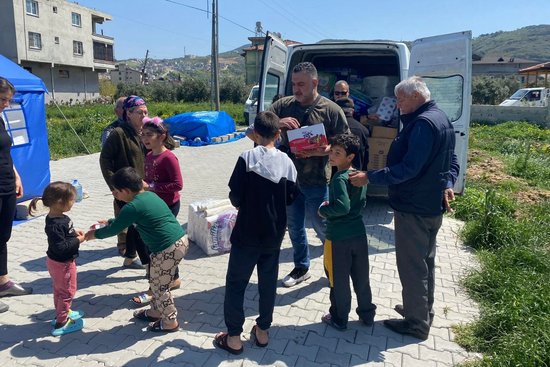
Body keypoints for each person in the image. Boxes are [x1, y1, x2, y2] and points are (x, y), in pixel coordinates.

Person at [349, 76, 460, 340]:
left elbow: (409, 169)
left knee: (412, 266)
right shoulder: (441, 118)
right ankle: (420, 310)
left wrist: (370, 177)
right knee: (425, 263)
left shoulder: (422, 124)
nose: (397, 105)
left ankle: (416, 324)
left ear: (416, 97)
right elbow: (451, 160)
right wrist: (447, 183)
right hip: (430, 204)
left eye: (400, 99)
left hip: (415, 207)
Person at [214, 111, 299, 354]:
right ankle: (262, 332)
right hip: (273, 234)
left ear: (256, 133)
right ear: (278, 133)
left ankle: (233, 337)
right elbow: (292, 196)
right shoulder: (287, 162)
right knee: (268, 284)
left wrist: (243, 204)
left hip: (247, 233)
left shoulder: (247, 158)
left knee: (236, 283)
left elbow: (235, 194)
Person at [263, 62, 349, 287]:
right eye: (293, 84)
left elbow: (348, 143)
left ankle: (336, 266)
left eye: (301, 84)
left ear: (314, 83)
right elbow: (256, 130)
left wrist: (327, 150)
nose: (296, 89)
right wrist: (277, 123)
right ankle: (302, 267)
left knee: (324, 226)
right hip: (289, 182)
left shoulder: (330, 110)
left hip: (318, 182)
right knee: (295, 227)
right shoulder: (282, 106)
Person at [86, 167, 188, 333]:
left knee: (159, 287)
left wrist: (92, 235)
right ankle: (155, 311)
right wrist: (110, 221)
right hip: (177, 242)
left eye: (115, 191)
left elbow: (115, 230)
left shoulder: (131, 207)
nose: (114, 194)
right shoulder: (149, 196)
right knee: (155, 281)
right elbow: (126, 220)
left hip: (167, 248)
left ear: (126, 191)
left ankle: (170, 321)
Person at [318, 134, 376, 330]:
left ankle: (339, 318)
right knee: (361, 278)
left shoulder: (338, 178)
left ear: (350, 157)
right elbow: (362, 203)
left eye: (338, 153)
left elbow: (342, 207)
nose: (332, 156)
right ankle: (367, 315)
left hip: (338, 238)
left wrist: (324, 210)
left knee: (338, 281)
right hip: (358, 234)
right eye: (332, 151)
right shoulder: (360, 176)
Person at [131, 116, 183, 307]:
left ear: (162, 136)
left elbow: (178, 184)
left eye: (150, 135)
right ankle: (170, 278)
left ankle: (158, 285)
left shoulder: (168, 157)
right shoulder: (149, 155)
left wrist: (151, 186)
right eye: (143, 134)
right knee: (149, 243)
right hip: (153, 204)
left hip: (167, 206)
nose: (145, 138)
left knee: (159, 246)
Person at [29, 182, 86, 336]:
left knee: (59, 289)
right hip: (63, 264)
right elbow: (61, 247)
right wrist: (77, 241)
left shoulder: (58, 217)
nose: (73, 202)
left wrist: (74, 233)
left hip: (56, 262)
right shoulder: (55, 225)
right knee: (67, 291)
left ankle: (63, 311)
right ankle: (62, 321)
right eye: (72, 200)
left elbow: (64, 234)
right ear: (61, 202)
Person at [99, 95, 148, 267]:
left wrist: (160, 128)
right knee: (126, 221)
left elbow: (169, 145)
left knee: (137, 223)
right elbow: (104, 159)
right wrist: (114, 185)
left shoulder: (145, 131)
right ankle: (134, 255)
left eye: (146, 112)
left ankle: (130, 255)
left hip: (142, 188)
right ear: (129, 113)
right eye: (140, 113)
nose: (144, 116)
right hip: (126, 189)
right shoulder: (118, 133)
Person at [0, 77, 32, 314]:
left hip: (6, 184)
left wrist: (16, 175)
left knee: (3, 235)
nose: (6, 104)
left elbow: (5, 152)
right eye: (2, 99)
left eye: (8, 101)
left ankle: (3, 282)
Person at [335, 98, 370, 171]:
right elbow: (366, 157)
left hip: (335, 174)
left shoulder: (333, 127)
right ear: (352, 111)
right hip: (356, 175)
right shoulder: (364, 130)